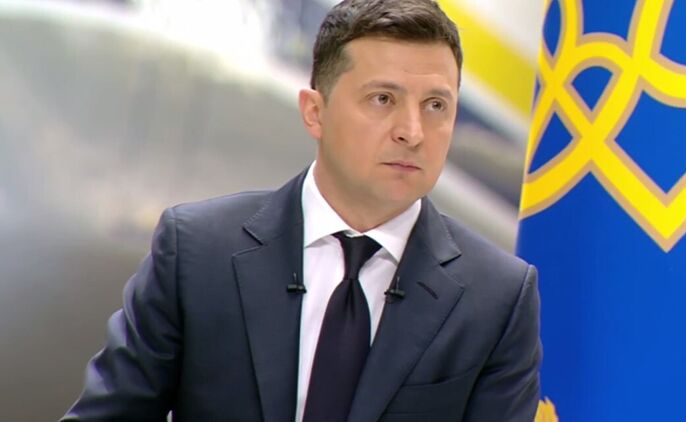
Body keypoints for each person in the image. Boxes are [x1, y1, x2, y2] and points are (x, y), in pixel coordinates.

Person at [61, 0, 541, 421]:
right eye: (383, 99)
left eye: (436, 105)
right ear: (315, 111)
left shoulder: (497, 299)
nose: (412, 132)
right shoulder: (196, 251)